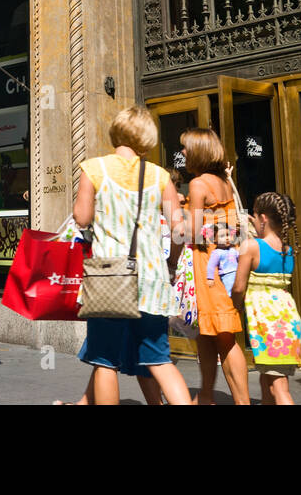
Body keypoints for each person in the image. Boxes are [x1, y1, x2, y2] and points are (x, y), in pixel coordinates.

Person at [60, 106, 191, 406]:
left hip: (110, 275)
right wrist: (171, 263)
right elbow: (179, 229)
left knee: (105, 361)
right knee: (159, 359)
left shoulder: (94, 168)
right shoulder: (159, 175)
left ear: (116, 131)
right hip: (153, 278)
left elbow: (81, 218)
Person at [184, 127, 250, 404]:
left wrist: (175, 212)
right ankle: (207, 396)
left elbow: (191, 232)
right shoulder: (223, 182)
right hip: (226, 261)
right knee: (209, 334)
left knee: (223, 336)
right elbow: (232, 225)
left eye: (186, 148)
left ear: (198, 151)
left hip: (207, 265)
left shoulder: (198, 185)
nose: (183, 153)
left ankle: (242, 401)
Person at [234, 192, 301, 404]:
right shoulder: (288, 250)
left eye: (254, 216)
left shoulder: (252, 247)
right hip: (288, 321)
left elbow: (238, 287)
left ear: (263, 218)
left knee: (279, 386)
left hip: (267, 325)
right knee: (268, 379)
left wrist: (236, 308)